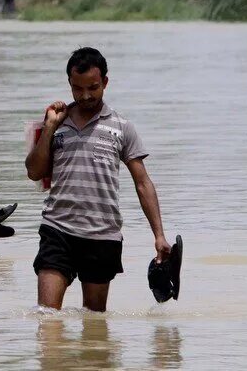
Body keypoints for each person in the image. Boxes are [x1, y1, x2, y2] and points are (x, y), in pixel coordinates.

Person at [25, 47, 171, 312]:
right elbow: (34, 172)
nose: (85, 96)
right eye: (77, 89)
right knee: (46, 317)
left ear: (105, 82)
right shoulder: (54, 124)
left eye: (93, 88)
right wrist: (48, 128)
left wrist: (159, 235)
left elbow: (142, 182)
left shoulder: (122, 127)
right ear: (69, 84)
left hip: (102, 235)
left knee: (93, 321)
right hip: (57, 229)